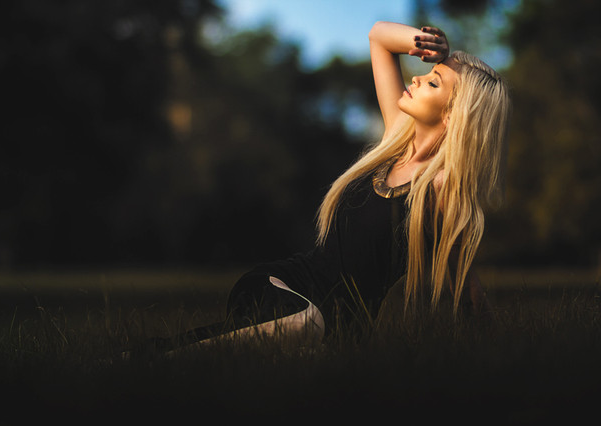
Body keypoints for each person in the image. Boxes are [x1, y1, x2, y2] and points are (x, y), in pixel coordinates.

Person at [154, 21, 510, 352]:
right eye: (428, 74)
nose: (416, 78)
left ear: (452, 116)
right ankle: (158, 356)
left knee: (306, 339)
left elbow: (466, 286)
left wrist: (499, 354)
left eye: (433, 83)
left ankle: (164, 354)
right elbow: (379, 37)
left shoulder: (440, 186)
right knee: (304, 325)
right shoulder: (395, 139)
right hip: (285, 287)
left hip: (341, 329)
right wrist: (427, 43)